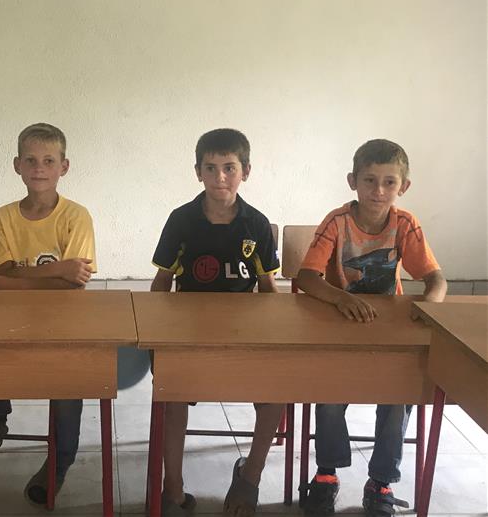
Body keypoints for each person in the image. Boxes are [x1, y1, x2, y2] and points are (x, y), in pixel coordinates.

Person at [296, 138, 447, 517]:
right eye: (369, 181)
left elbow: (436, 281)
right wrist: (342, 298)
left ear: (403, 187)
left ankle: (381, 481)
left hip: (387, 331)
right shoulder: (338, 222)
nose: (378, 191)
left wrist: (429, 306)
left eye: (389, 182)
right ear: (352, 181)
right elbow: (306, 278)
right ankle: (326, 474)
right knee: (329, 398)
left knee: (400, 398)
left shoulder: (405, 223)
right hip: (338, 326)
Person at [151, 128, 285, 516]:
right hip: (188, 334)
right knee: (172, 394)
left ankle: (250, 477)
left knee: (278, 389)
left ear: (246, 171)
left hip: (244, 334)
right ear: (198, 172)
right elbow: (162, 283)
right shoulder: (181, 220)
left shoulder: (256, 225)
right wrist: (153, 338)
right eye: (211, 168)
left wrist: (275, 339)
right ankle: (172, 486)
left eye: (229, 168)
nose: (220, 178)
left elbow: (267, 287)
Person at [0, 123, 96, 506]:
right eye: (30, 160)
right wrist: (56, 269)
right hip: (8, 319)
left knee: (68, 378)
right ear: (17, 165)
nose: (39, 168)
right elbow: (3, 276)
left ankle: (59, 463)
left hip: (65, 321)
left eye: (48, 160)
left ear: (64, 166)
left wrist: (14, 280)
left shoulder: (76, 216)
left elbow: (71, 284)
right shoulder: (3, 217)